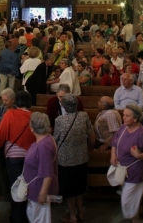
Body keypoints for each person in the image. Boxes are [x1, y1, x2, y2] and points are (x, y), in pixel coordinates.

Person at [0, 91, 36, 223]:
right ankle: (29, 216)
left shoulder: (9, 114)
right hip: (30, 157)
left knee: (16, 186)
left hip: (13, 157)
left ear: (16, 102)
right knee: (29, 186)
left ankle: (17, 217)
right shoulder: (34, 117)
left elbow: (0, 136)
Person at [110, 104, 143, 223]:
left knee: (126, 199)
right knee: (131, 197)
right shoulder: (124, 127)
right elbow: (115, 140)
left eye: (127, 116)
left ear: (135, 119)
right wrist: (113, 155)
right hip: (123, 170)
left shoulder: (142, 134)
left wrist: (139, 155)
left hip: (136, 171)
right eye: (123, 115)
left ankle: (135, 218)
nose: (123, 117)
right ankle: (135, 218)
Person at [53, 95, 94, 223]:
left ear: (64, 106)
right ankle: (81, 212)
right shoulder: (84, 116)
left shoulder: (59, 120)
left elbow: (55, 139)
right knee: (79, 187)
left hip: (66, 160)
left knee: (70, 189)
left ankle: (72, 216)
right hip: (82, 157)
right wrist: (89, 149)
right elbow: (91, 136)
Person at [24, 112, 59, 223]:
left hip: (38, 189)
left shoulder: (43, 146)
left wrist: (43, 193)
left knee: (39, 219)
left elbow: (48, 173)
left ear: (33, 129)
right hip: (35, 188)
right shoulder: (47, 138)